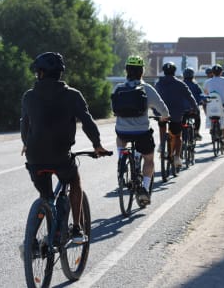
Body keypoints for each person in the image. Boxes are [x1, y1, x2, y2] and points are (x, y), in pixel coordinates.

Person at [20, 52, 110, 243]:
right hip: (61, 156)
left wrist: (26, 144)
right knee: (75, 182)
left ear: (41, 73)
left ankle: (31, 242)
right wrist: (97, 145)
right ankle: (77, 229)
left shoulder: (29, 96)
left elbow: (25, 125)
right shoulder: (72, 95)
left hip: (35, 157)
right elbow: (87, 122)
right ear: (60, 73)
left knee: (45, 196)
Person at [112, 55, 169, 204]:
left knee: (120, 135)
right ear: (142, 72)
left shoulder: (118, 87)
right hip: (142, 132)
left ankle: (121, 157)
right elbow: (163, 109)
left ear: (126, 71)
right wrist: (164, 117)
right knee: (149, 159)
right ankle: (144, 188)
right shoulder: (147, 88)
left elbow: (114, 109)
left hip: (123, 131)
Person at [155, 62, 198, 167]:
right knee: (178, 135)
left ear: (163, 71)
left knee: (162, 123)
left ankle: (162, 143)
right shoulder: (180, 84)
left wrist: (154, 110)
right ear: (174, 71)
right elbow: (190, 97)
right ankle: (177, 157)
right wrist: (195, 109)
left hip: (161, 112)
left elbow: (154, 98)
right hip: (176, 114)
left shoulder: (158, 83)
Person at [203, 64, 224, 149]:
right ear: (221, 72)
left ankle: (212, 128)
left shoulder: (207, 82)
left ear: (212, 73)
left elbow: (205, 93)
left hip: (211, 104)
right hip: (223, 105)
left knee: (211, 115)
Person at [183, 67, 205, 140]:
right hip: (193, 109)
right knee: (197, 117)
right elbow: (201, 95)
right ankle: (196, 132)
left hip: (182, 110)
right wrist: (203, 100)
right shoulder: (195, 85)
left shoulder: (180, 84)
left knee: (181, 121)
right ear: (193, 75)